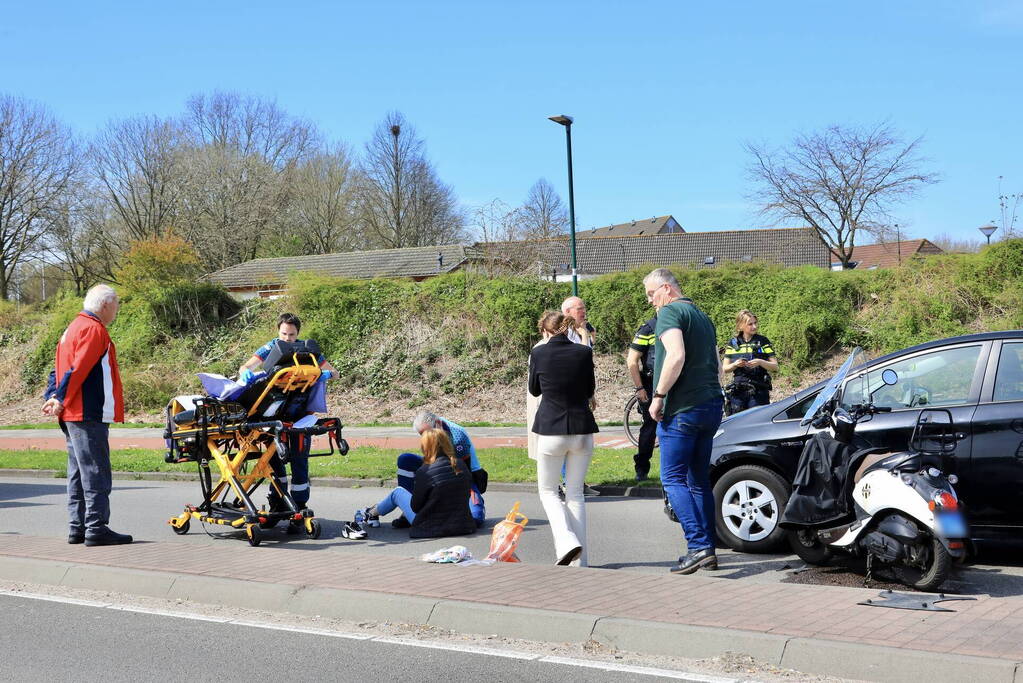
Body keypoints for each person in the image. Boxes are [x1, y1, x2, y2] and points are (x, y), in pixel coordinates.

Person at [643, 268, 723, 575]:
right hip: (710, 404)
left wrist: (659, 395)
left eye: (652, 294)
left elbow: (675, 355)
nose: (651, 302)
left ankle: (698, 546)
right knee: (698, 480)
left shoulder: (670, 313)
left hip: (683, 408)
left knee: (672, 478)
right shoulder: (702, 317)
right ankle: (709, 549)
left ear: (666, 289)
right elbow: (717, 364)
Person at [42, 284, 132, 547]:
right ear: (106, 305)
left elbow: (58, 369)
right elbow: (78, 369)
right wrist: (59, 397)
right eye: (116, 305)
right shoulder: (94, 329)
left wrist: (53, 395)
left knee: (78, 472)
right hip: (87, 411)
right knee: (95, 471)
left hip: (72, 412)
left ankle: (77, 526)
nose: (117, 311)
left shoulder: (72, 328)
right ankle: (96, 527)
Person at [239, 313, 337, 525]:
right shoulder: (270, 347)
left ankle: (299, 508)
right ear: (278, 331)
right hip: (272, 414)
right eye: (284, 334)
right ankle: (278, 503)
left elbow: (334, 372)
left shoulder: (308, 351)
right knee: (275, 462)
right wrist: (245, 373)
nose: (288, 339)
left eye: (292, 335)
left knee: (300, 461)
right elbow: (246, 367)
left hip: (300, 416)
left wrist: (327, 374)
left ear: (298, 333)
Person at [528, 310, 599, 567]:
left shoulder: (539, 353)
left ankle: (567, 541)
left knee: (548, 491)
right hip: (581, 428)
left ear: (545, 331)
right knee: (576, 494)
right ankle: (581, 562)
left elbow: (534, 389)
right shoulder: (583, 352)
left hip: (551, 429)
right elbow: (590, 389)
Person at [355, 428, 476, 539]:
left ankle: (371, 513)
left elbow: (415, 506)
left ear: (425, 447)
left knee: (398, 493)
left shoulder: (425, 471)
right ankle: (373, 512)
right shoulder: (461, 465)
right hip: (462, 524)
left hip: (431, 526)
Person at [559, 296, 600, 497]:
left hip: (582, 392)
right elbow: (582, 358)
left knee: (581, 440)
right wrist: (585, 336)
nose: (583, 312)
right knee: (570, 439)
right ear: (567, 312)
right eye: (579, 309)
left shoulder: (579, 331)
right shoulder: (563, 335)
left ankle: (577, 481)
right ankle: (569, 483)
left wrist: (590, 393)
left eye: (584, 308)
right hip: (569, 396)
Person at [721, 310, 778, 414]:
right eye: (750, 324)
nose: (754, 326)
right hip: (738, 393)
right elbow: (725, 369)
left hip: (758, 392)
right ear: (740, 326)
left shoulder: (763, 341)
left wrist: (760, 362)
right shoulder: (733, 343)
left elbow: (775, 367)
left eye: (755, 323)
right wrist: (735, 364)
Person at [626, 313, 658, 481]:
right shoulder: (648, 329)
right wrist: (640, 388)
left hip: (675, 386)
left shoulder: (677, 326)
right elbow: (632, 360)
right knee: (650, 428)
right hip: (650, 384)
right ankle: (642, 469)